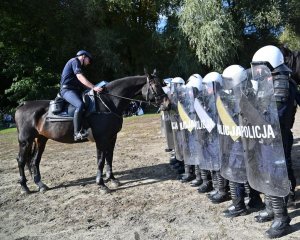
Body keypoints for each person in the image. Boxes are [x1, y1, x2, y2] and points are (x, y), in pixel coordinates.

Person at [249, 45, 298, 238]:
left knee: (274, 175)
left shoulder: (281, 83)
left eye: (259, 67)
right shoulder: (270, 81)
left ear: (270, 64)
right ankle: (271, 208)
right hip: (267, 137)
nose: (257, 72)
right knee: (265, 173)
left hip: (276, 138)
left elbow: (274, 116)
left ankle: (282, 218)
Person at [60, 50, 103, 141]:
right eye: (89, 60)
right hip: (67, 90)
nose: (89, 63)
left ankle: (86, 128)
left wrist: (91, 89)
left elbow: (81, 82)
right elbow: (80, 77)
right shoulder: (74, 61)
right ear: (83, 56)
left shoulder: (77, 64)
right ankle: (77, 133)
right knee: (80, 105)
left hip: (75, 90)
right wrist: (93, 87)